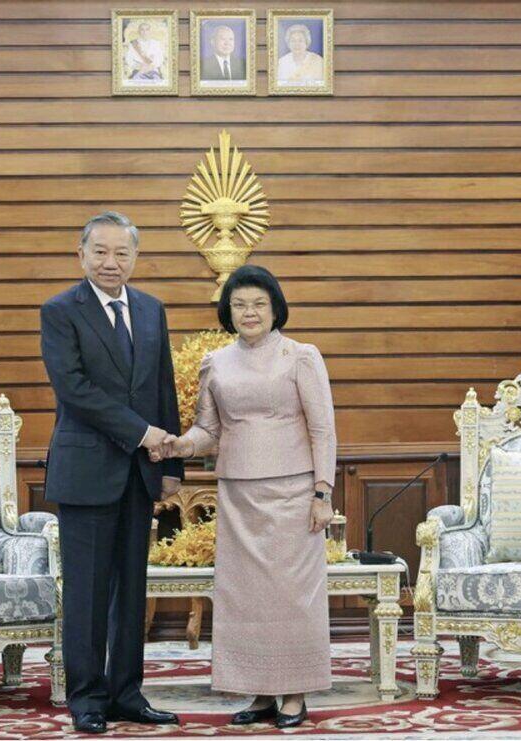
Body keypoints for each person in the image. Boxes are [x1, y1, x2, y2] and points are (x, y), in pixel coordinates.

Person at [152, 265, 336, 729]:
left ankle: (294, 694)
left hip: (295, 492)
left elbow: (322, 429)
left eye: (258, 303)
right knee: (246, 598)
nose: (249, 312)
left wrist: (322, 492)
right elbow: (209, 429)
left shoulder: (302, 356)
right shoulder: (216, 361)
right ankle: (259, 693)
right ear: (227, 311)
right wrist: (181, 445)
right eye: (239, 305)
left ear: (275, 308)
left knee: (291, 596)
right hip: (237, 493)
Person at [40, 211, 183, 735]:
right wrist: (143, 434)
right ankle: (87, 697)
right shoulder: (60, 312)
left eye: (122, 253)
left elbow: (163, 386)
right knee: (88, 591)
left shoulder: (151, 310)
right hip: (86, 472)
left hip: (141, 474)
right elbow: (74, 390)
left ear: (135, 258)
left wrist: (171, 466)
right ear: (81, 254)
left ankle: (127, 693)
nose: (111, 262)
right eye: (100, 252)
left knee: (131, 590)